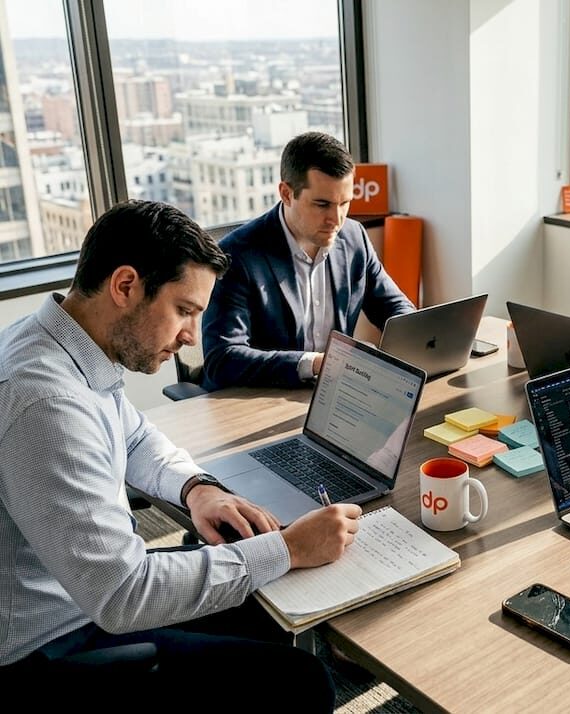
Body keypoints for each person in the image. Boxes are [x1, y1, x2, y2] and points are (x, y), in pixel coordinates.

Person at [0, 200, 362, 704]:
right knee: (301, 682)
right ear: (125, 286)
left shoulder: (63, 345)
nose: (192, 336)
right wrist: (290, 548)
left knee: (265, 601)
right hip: (54, 643)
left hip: (80, 591)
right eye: (184, 311)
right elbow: (124, 595)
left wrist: (197, 489)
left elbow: (134, 436)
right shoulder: (46, 402)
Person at [201, 131, 414, 390]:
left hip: (334, 396)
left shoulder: (354, 236)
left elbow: (394, 308)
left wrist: (419, 338)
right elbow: (222, 359)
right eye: (322, 204)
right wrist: (313, 364)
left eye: (344, 203)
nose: (336, 219)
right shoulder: (238, 256)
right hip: (262, 402)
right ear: (286, 193)